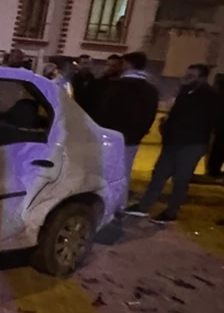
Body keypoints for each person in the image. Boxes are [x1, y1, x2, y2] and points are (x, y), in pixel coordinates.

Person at [126, 64, 217, 222]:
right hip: (172, 142)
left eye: (191, 76)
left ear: (202, 78)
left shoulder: (208, 96)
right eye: (187, 74)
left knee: (180, 179)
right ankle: (144, 206)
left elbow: (204, 120)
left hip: (191, 144)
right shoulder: (184, 92)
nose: (186, 78)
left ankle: (171, 212)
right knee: (159, 174)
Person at [93, 51, 158, 180]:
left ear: (128, 64)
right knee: (124, 173)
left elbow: (104, 111)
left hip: (112, 138)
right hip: (133, 139)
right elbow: (150, 115)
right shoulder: (151, 89)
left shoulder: (117, 86)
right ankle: (120, 199)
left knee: (106, 173)